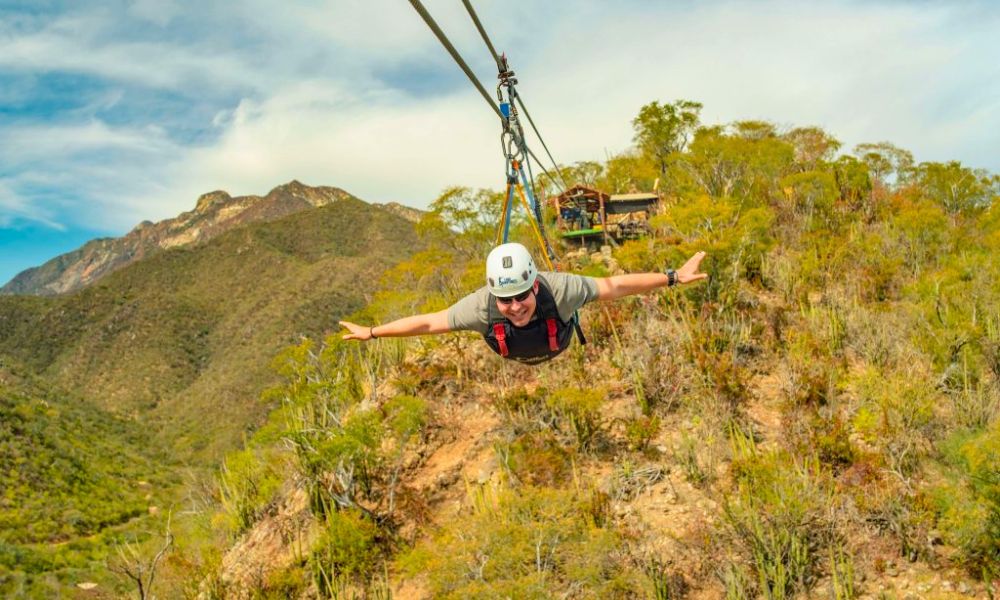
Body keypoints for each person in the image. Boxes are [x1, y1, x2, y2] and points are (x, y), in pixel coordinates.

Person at [340, 242, 708, 365]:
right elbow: (428, 323)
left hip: (557, 344)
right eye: (505, 300)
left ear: (534, 287)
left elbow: (614, 286)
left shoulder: (561, 290)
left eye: (521, 296)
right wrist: (372, 333)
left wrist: (673, 277)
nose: (515, 306)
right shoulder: (480, 307)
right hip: (518, 352)